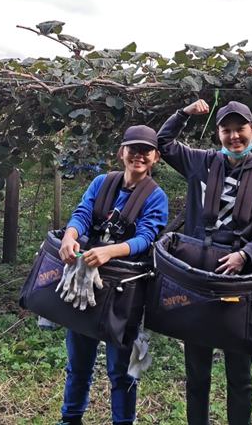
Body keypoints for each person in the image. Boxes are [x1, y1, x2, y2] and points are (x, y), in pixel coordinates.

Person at [157, 100, 252, 425]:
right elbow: (163, 144)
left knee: (239, 374)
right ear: (218, 134)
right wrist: (183, 113)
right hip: (199, 278)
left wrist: (246, 255)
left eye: (239, 129)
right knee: (196, 374)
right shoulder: (203, 163)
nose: (233, 137)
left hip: (240, 287)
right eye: (226, 130)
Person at [56, 125, 169, 425]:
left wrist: (109, 252)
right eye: (133, 149)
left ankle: (123, 421)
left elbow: (146, 238)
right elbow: (82, 214)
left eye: (146, 151)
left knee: (122, 369)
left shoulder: (156, 197)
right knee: (78, 362)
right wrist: (70, 236)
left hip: (126, 292)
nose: (138, 156)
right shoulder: (101, 183)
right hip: (86, 283)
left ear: (156, 157)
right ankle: (70, 418)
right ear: (122, 152)